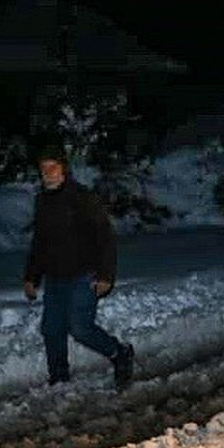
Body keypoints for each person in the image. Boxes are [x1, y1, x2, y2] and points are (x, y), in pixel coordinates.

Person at [23, 145, 135, 387]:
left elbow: (104, 236)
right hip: (55, 277)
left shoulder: (82, 197)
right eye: (44, 169)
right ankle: (59, 377)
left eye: (53, 167)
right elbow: (40, 242)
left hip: (84, 275)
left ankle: (119, 352)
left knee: (80, 328)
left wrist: (105, 275)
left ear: (64, 169)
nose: (48, 173)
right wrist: (31, 277)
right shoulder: (43, 201)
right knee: (51, 329)